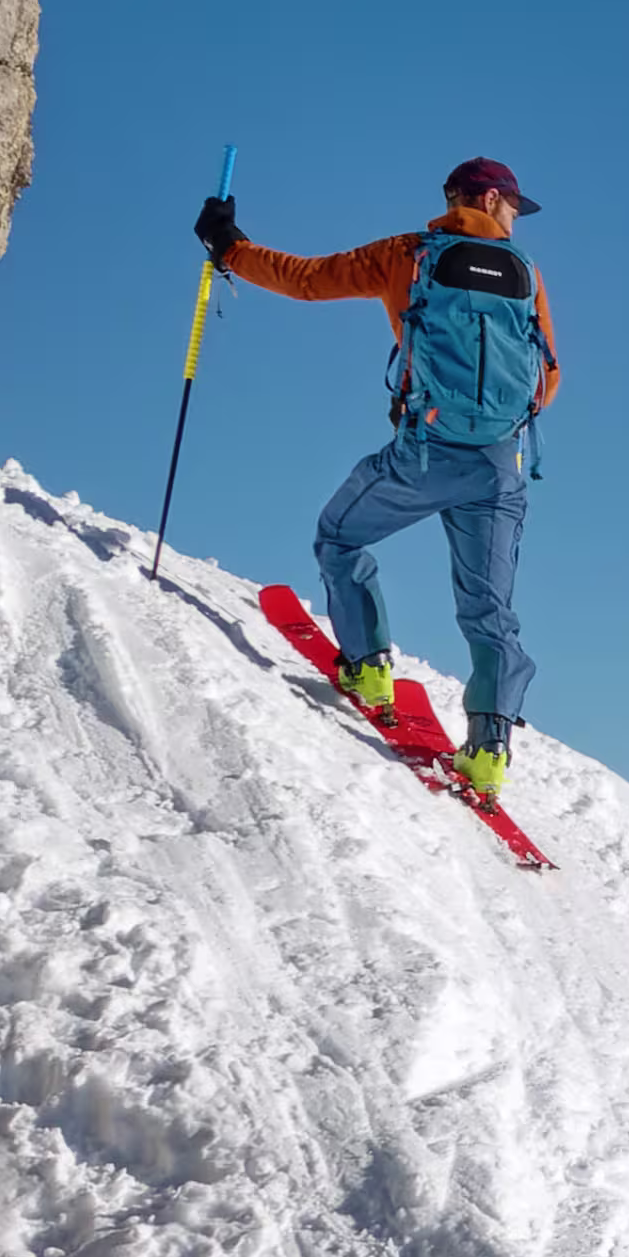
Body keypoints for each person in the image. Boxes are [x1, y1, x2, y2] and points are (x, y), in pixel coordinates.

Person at [190, 156, 560, 796]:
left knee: (339, 536)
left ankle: (366, 668)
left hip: (424, 455)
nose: (513, 219)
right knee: (489, 608)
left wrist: (230, 247)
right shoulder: (526, 276)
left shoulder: (407, 254)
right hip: (499, 469)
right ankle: (490, 748)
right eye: (512, 208)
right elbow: (546, 378)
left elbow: (306, 280)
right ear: (493, 199)